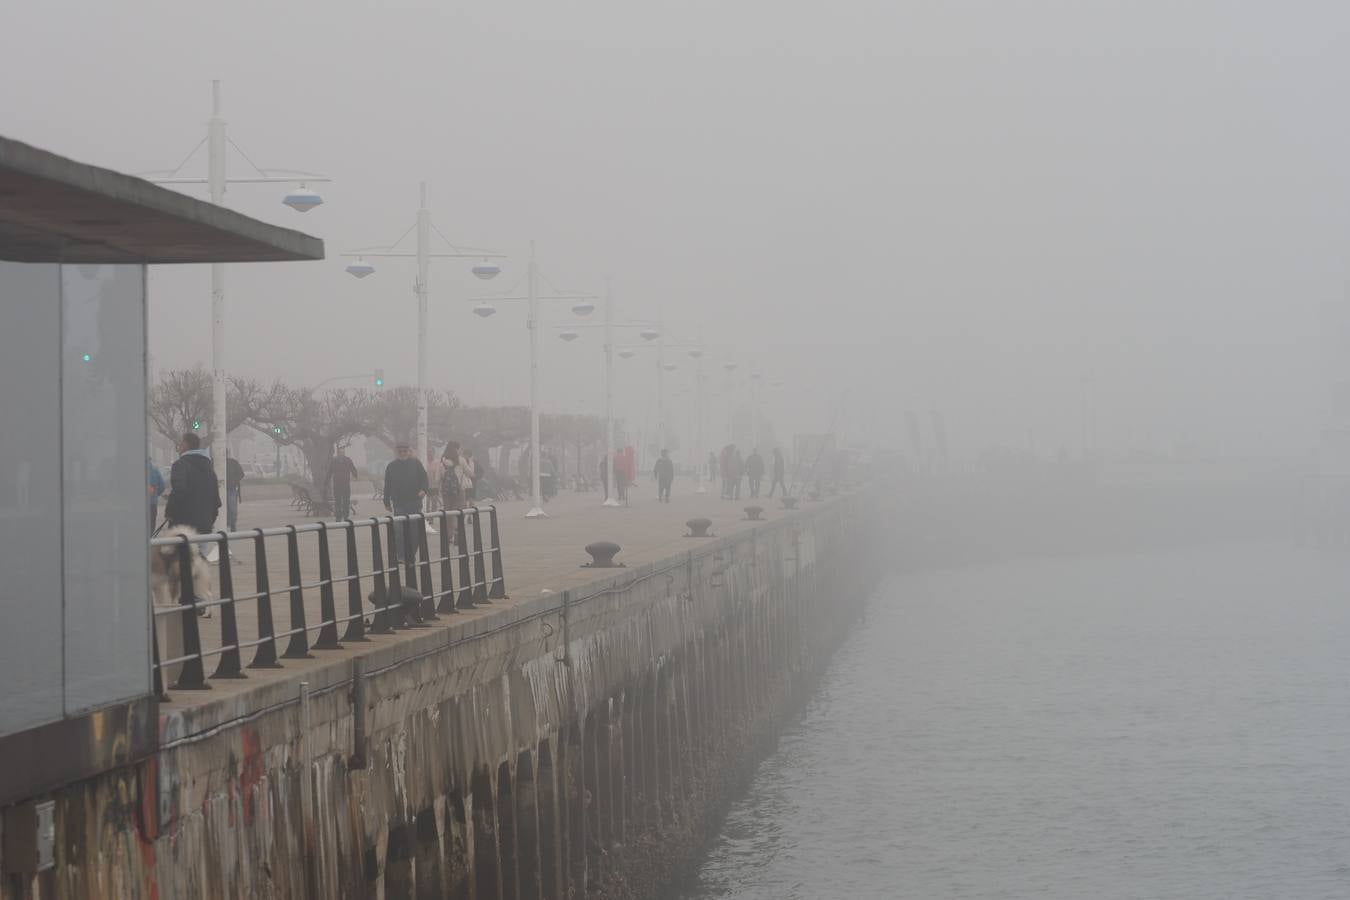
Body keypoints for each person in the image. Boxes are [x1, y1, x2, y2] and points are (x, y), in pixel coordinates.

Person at [164, 432, 221, 561]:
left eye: (180, 444)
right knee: (199, 564)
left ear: (185, 445)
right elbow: (215, 498)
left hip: (183, 525)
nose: (178, 447)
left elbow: (179, 491)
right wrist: (210, 518)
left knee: (181, 564)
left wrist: (169, 512)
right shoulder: (208, 467)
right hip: (204, 524)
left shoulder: (180, 465)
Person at [383, 442, 428, 562]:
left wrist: (423, 490)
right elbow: (387, 484)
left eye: (405, 451)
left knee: (414, 531)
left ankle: (411, 554)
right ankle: (401, 555)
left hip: (414, 502)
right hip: (399, 503)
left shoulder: (416, 463)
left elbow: (424, 478)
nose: (402, 453)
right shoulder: (391, 466)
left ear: (409, 451)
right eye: (400, 451)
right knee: (399, 532)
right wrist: (386, 501)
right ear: (396, 452)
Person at [327, 446, 359, 519]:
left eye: (343, 452)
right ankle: (338, 517)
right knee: (338, 501)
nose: (341, 454)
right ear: (338, 453)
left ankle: (346, 516)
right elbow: (330, 472)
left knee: (346, 501)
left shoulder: (348, 460)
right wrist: (326, 482)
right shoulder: (334, 461)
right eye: (340, 452)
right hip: (337, 484)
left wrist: (355, 475)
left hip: (345, 484)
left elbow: (353, 468)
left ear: (344, 453)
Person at [224, 453, 245, 532]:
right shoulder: (214, 462)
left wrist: (233, 481)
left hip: (231, 489)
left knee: (232, 508)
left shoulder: (233, 462)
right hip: (218, 489)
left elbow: (241, 474)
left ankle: (233, 525)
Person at [147, 457, 165, 532]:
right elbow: (162, 485)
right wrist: (155, 495)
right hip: (152, 503)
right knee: (151, 523)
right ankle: (151, 540)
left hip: (138, 505)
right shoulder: (155, 470)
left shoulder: (136, 469)